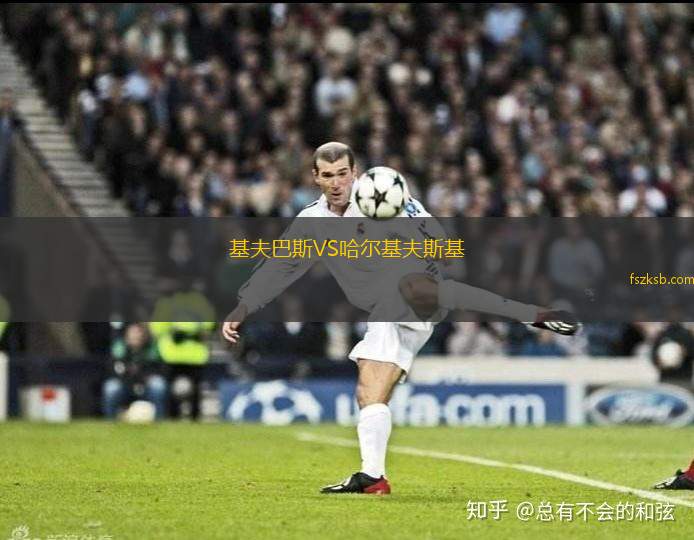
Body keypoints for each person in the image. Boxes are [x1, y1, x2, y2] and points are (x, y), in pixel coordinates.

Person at [222, 141, 578, 495]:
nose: (337, 183)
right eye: (328, 175)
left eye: (343, 173)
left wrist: (408, 216)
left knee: (412, 286)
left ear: (355, 172)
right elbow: (280, 266)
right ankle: (373, 477)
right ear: (315, 177)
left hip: (414, 291)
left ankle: (528, 314)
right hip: (382, 314)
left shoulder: (384, 196)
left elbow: (442, 246)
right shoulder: (312, 221)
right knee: (369, 392)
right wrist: (244, 306)